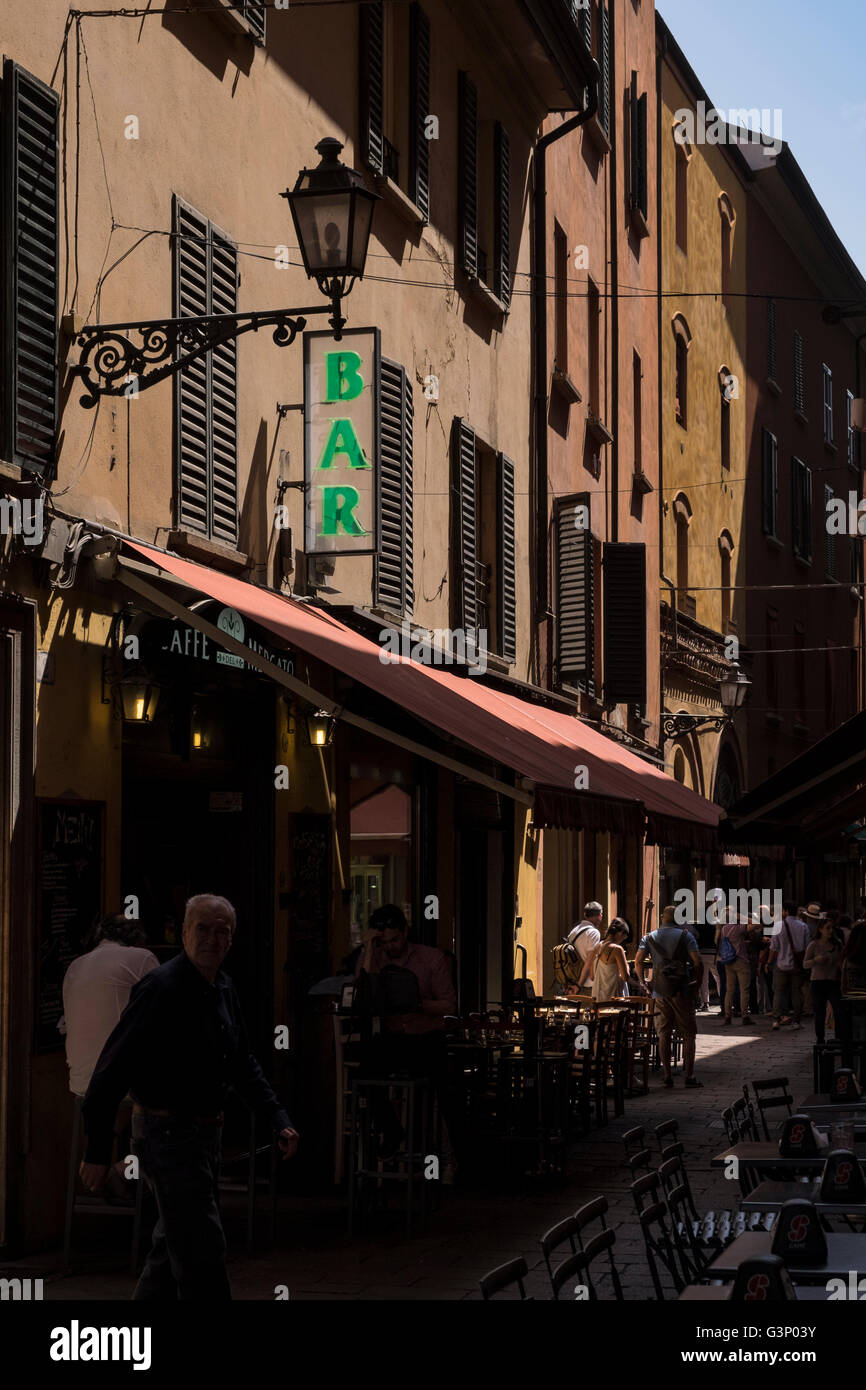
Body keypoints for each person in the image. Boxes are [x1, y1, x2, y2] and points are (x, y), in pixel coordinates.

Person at [79, 894, 299, 1301]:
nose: (213, 939)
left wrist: (276, 1116)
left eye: (223, 931)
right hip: (166, 1134)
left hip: (202, 1137)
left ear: (232, 940)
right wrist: (96, 1149)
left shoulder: (222, 988)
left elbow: (242, 1063)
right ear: (183, 933)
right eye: (203, 928)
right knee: (202, 1252)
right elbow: (112, 1069)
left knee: (172, 1249)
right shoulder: (159, 989)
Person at [355, 904, 458, 1176]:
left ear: (405, 932)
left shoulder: (431, 958)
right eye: (385, 941)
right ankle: (392, 1132)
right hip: (393, 1038)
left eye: (395, 939)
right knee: (365, 1071)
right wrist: (368, 949)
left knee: (435, 1090)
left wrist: (418, 1004)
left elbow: (449, 1005)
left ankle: (445, 1158)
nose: (391, 946)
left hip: (425, 1037)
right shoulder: (376, 957)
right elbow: (361, 992)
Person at [61, 914, 160, 1097]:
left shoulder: (75, 966)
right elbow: (163, 1013)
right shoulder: (142, 957)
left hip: (81, 1081)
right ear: (138, 938)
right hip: (124, 1085)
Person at [634, 906, 704, 1089]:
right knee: (689, 1034)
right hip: (682, 991)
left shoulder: (649, 937)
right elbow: (698, 962)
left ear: (662, 917)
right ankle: (689, 1076)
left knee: (663, 1034)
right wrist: (696, 985)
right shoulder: (686, 936)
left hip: (660, 991)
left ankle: (667, 1075)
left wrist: (642, 982)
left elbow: (638, 961)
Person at [768, 900, 810, 1030]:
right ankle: (796, 1021)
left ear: (785, 911)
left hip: (781, 964)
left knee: (778, 993)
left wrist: (768, 962)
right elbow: (807, 947)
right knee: (796, 992)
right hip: (797, 966)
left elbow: (773, 947)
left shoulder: (778, 926)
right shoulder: (803, 926)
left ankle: (776, 1020)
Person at [804, 918, 846, 1045]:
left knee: (838, 1011)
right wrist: (816, 960)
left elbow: (842, 962)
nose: (830, 930)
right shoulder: (814, 945)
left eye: (831, 928)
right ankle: (820, 1039)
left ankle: (839, 1038)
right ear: (821, 929)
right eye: (827, 928)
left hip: (833, 982)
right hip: (818, 982)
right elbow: (805, 964)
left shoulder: (838, 944)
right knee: (820, 1012)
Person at [718, 910, 756, 1027]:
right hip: (741, 960)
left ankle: (727, 1016)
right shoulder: (739, 928)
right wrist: (743, 916)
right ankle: (745, 1016)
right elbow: (756, 924)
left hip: (729, 961)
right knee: (744, 989)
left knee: (730, 990)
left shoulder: (724, 929)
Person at [582, 918, 630, 1000]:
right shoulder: (617, 949)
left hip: (598, 998)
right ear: (620, 933)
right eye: (624, 937)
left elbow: (592, 976)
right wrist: (627, 965)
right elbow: (625, 977)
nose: (623, 940)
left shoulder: (597, 946)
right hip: (613, 998)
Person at [566, 902, 603, 994]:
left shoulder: (574, 931)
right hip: (586, 984)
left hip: (572, 983)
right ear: (600, 916)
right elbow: (589, 961)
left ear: (585, 915)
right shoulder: (594, 933)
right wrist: (579, 985)